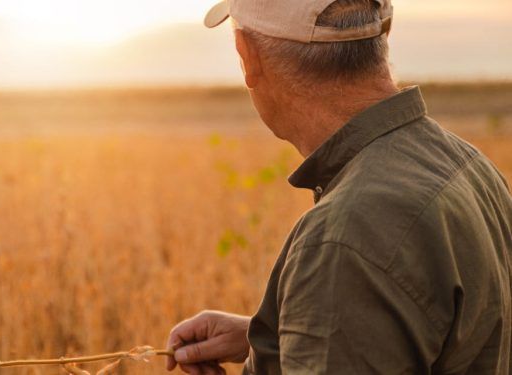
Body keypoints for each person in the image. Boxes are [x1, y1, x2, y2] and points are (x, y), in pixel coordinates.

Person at [165, 0, 512, 374]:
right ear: (382, 32)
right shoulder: (469, 165)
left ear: (247, 57)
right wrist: (280, 333)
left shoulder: (345, 239)